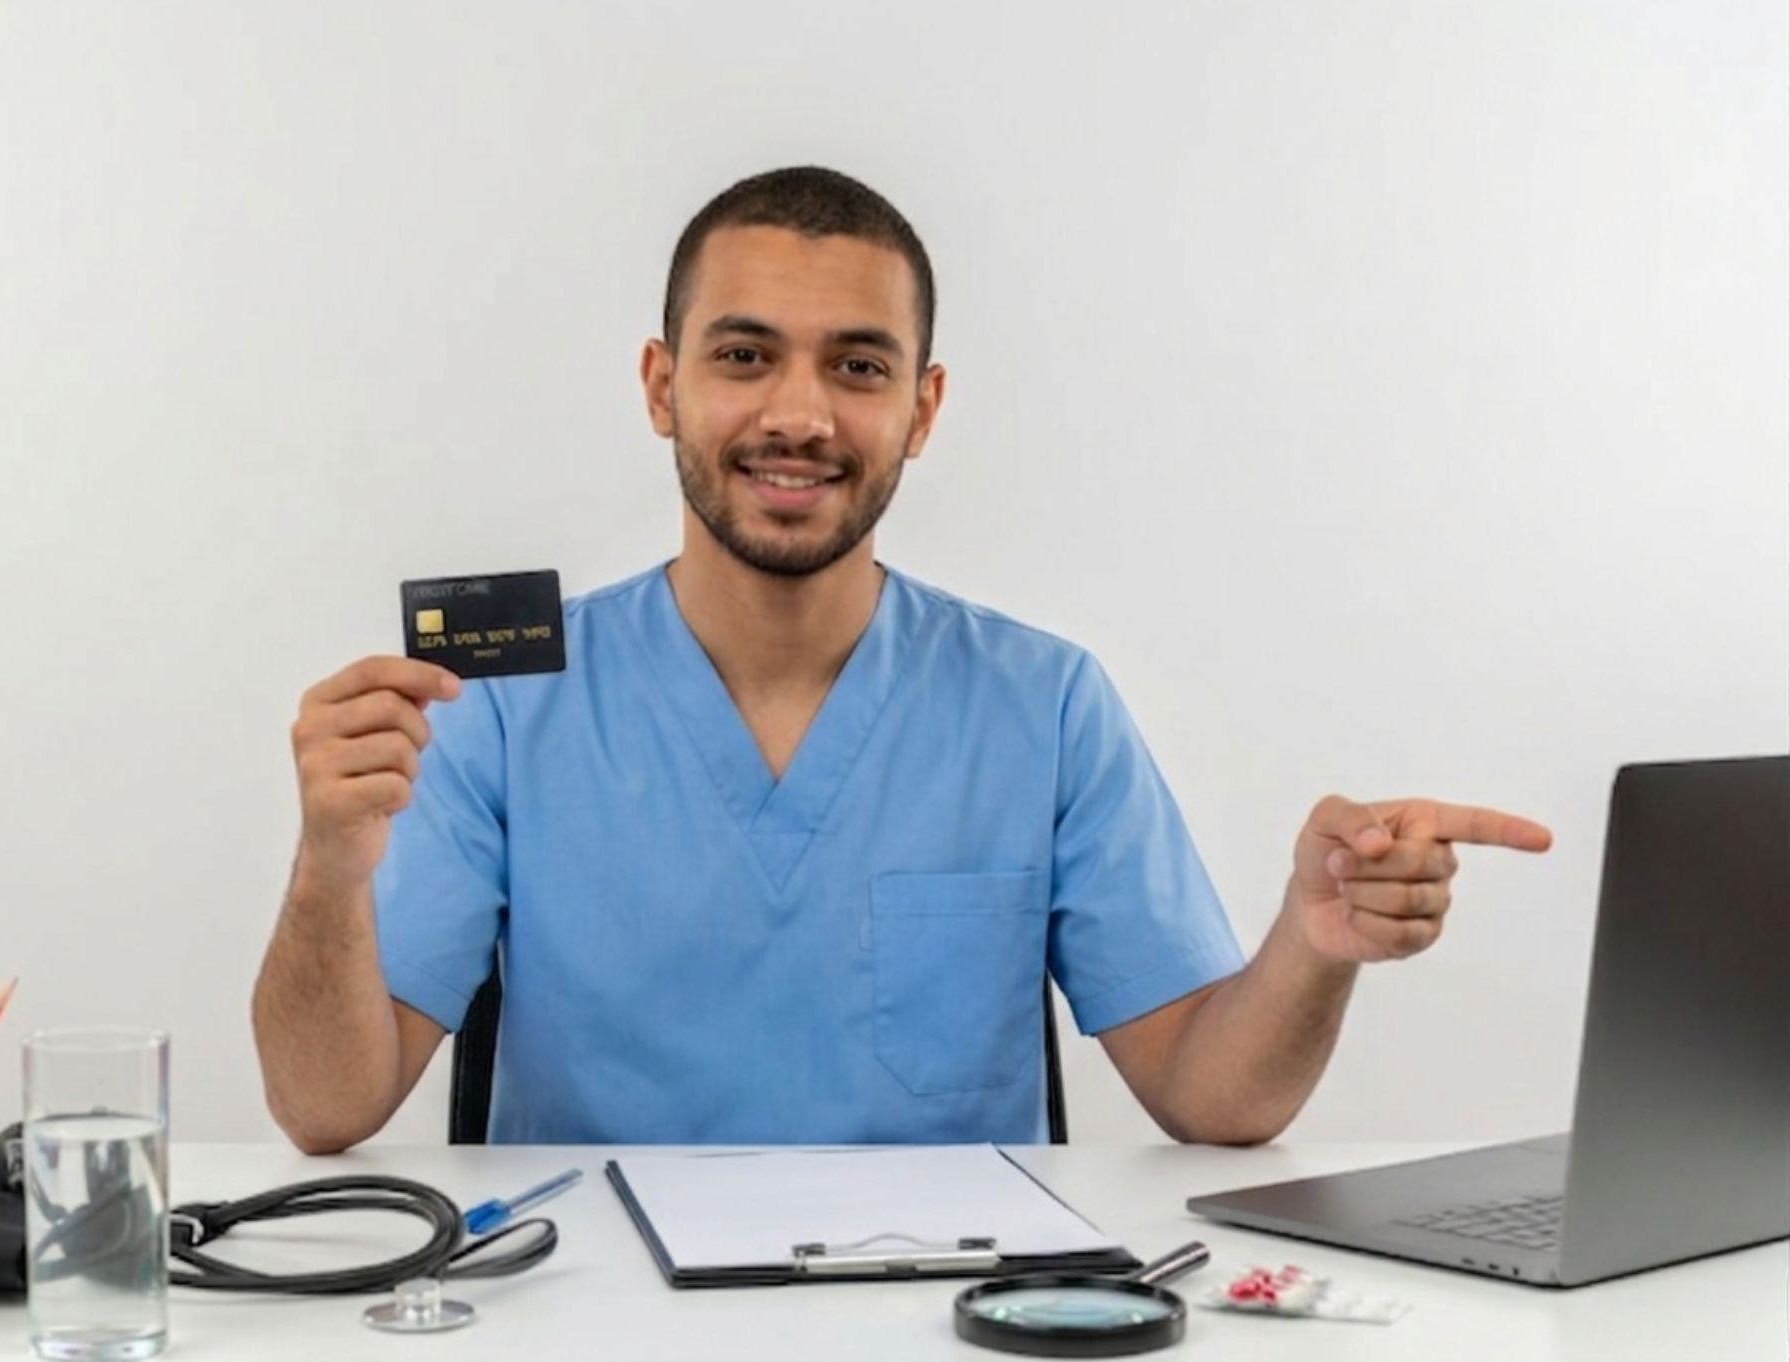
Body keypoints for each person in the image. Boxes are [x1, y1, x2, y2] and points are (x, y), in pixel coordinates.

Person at [252, 166, 1552, 1152]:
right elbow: (327, 1108)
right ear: (663, 387)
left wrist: (1312, 941)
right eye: (745, 355)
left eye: (859, 365)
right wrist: (329, 863)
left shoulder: (1043, 704)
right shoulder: (504, 706)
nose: (800, 415)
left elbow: (1212, 1097)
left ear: (922, 408)